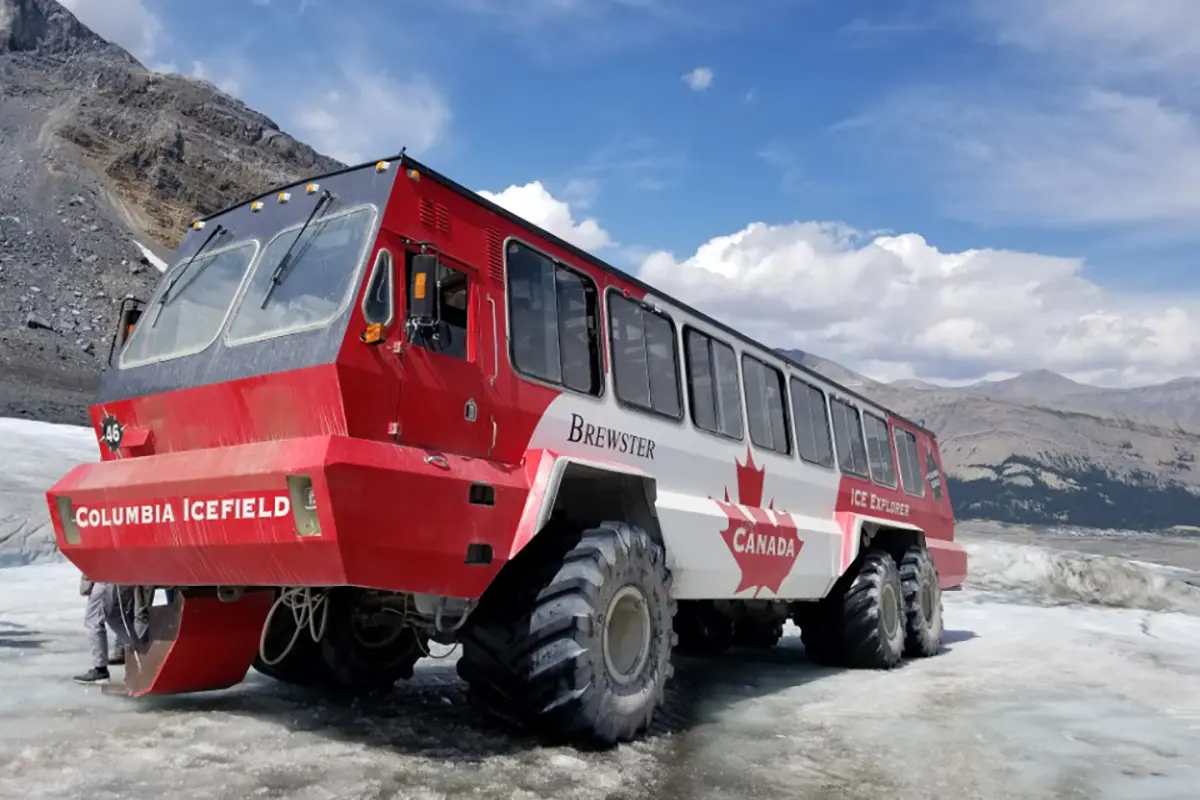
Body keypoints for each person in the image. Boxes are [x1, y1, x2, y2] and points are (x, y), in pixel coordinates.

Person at [74, 575, 151, 684]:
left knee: (94, 619)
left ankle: (100, 670)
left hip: (105, 576)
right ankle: (141, 658)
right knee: (115, 617)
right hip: (122, 575)